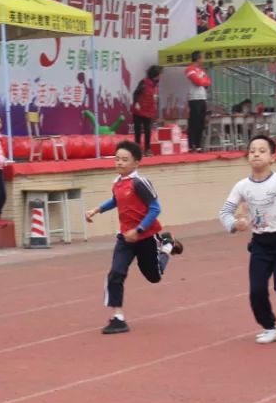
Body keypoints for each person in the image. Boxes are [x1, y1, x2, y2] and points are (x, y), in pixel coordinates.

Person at [219, 135, 276, 344]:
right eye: (252, 151)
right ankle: (270, 327)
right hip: (260, 243)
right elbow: (224, 212)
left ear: (272, 158)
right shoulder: (242, 186)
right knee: (256, 290)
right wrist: (234, 224)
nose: (256, 154)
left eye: (262, 151)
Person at [85, 140, 182, 335]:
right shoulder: (117, 183)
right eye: (117, 159)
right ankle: (118, 318)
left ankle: (167, 245)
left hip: (145, 237)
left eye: (124, 159)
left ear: (136, 163)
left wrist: (138, 230)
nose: (119, 162)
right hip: (125, 238)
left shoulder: (140, 183)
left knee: (154, 276)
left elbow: (155, 208)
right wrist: (97, 209)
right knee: (116, 272)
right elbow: (116, 200)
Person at [132, 65, 160, 157]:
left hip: (148, 112)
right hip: (139, 111)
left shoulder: (156, 86)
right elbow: (135, 93)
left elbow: (155, 99)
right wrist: (136, 102)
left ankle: (147, 149)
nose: (159, 77)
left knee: (148, 131)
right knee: (138, 131)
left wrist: (155, 111)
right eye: (158, 75)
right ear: (154, 75)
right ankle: (137, 150)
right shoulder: (144, 82)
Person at [185, 51, 210, 152]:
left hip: (203, 97)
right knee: (194, 122)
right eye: (202, 58)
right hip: (194, 98)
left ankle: (198, 145)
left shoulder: (201, 71)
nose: (203, 60)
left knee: (201, 122)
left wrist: (203, 81)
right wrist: (203, 81)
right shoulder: (189, 69)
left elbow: (208, 82)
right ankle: (192, 145)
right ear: (198, 59)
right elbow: (198, 81)